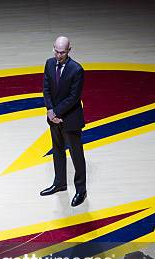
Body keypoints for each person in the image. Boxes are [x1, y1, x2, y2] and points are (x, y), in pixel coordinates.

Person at [40, 36, 87, 207]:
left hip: (70, 119)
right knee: (57, 150)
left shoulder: (77, 70)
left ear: (69, 50)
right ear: (53, 48)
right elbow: (46, 89)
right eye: (57, 51)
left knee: (76, 155)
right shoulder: (49, 63)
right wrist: (50, 111)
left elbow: (74, 97)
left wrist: (57, 112)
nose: (59, 55)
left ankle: (81, 190)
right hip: (54, 117)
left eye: (63, 52)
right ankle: (60, 182)